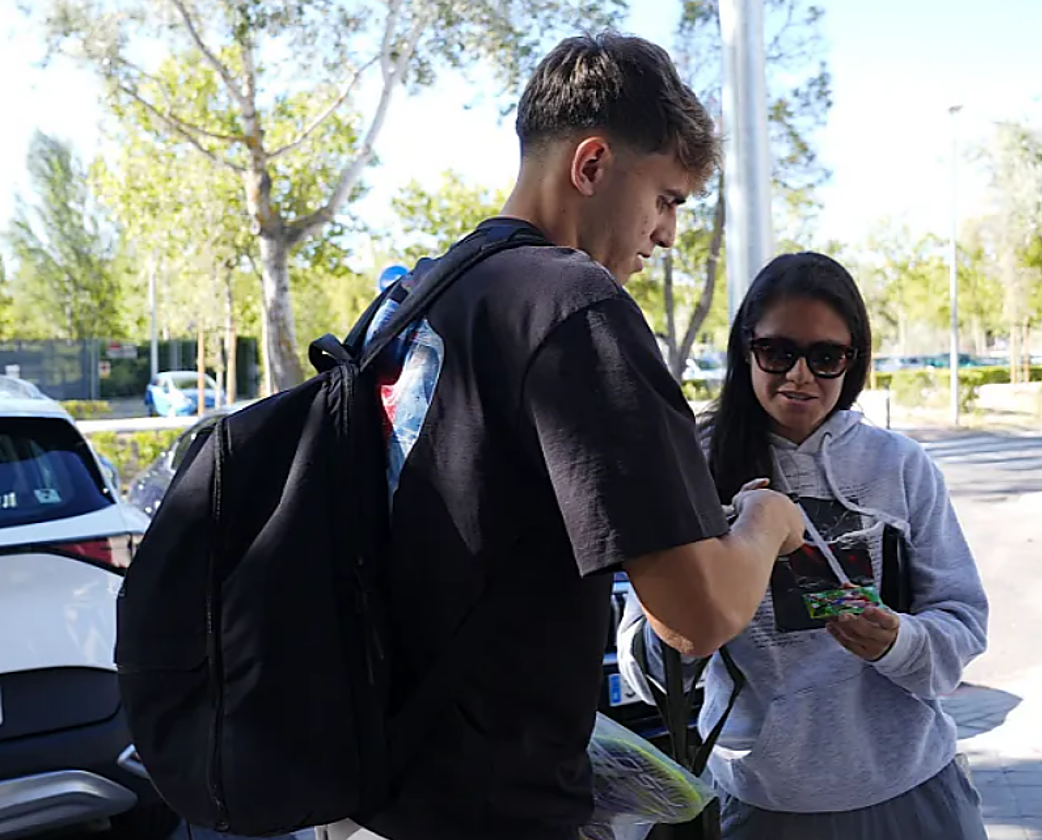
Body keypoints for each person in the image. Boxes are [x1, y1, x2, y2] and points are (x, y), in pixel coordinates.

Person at [319, 32, 806, 840]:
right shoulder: (573, 306)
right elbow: (698, 612)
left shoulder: (423, 296)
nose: (668, 233)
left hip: (382, 788)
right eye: (667, 198)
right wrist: (767, 523)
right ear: (591, 165)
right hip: (498, 807)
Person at [617, 252, 990, 839]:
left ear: (854, 360)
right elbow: (646, 664)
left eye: (826, 358)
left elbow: (964, 623)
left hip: (912, 787)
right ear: (746, 350)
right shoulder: (691, 463)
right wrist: (696, 617)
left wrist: (901, 641)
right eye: (777, 353)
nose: (800, 376)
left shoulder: (900, 466)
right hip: (761, 802)